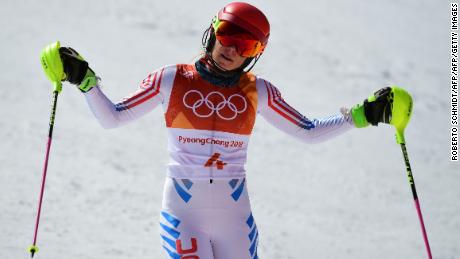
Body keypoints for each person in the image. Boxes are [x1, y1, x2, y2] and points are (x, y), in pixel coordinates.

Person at [42, 2, 399, 259]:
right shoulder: (172, 79)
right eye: (227, 35)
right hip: (184, 213)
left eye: (245, 45)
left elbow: (307, 131)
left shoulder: (258, 91)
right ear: (213, 32)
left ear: (256, 53)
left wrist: (361, 115)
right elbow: (114, 118)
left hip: (234, 217)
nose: (230, 48)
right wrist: (85, 82)